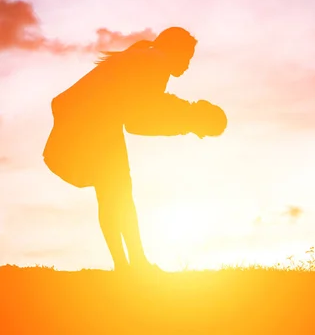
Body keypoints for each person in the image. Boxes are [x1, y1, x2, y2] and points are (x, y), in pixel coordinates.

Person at [42, 27, 227, 273]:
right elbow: (138, 122)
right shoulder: (156, 62)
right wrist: (189, 119)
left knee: (113, 193)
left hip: (93, 122)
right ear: (175, 49)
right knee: (117, 192)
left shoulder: (148, 59)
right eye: (188, 57)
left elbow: (138, 117)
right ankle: (134, 264)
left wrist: (187, 119)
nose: (188, 65)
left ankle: (126, 265)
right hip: (91, 123)